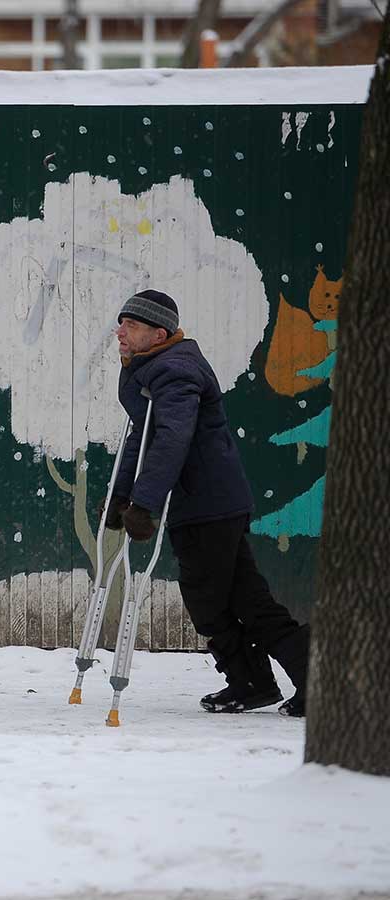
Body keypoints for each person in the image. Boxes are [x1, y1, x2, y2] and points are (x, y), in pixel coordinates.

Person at [104, 289, 309, 718]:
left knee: (210, 601)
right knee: (249, 601)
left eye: (132, 326)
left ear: (158, 334)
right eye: (121, 322)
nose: (120, 332)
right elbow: (142, 435)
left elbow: (171, 439)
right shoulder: (156, 365)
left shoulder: (175, 371)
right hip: (213, 501)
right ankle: (290, 680)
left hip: (205, 504)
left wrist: (144, 503)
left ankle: (254, 681)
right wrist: (124, 495)